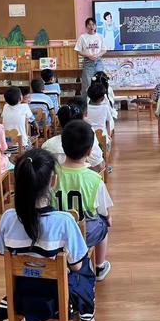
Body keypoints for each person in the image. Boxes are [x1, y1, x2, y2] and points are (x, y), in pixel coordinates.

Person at [0, 149, 96, 321]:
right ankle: (88, 315)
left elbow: (2, 251)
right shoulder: (64, 221)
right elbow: (76, 266)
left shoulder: (8, 218)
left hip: (23, 292)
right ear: (54, 181)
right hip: (56, 295)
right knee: (84, 265)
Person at [53, 120, 113, 282]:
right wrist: (108, 218)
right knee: (103, 225)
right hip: (85, 233)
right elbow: (103, 210)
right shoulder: (94, 179)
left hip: (56, 231)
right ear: (89, 151)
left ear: (63, 147)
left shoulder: (52, 175)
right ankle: (99, 265)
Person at [42, 97, 105, 172]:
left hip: (57, 182)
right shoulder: (87, 135)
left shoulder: (47, 145)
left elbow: (46, 171)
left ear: (59, 122)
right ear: (81, 121)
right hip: (85, 179)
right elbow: (99, 166)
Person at [75, 17, 107, 96]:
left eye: (93, 24)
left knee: (100, 82)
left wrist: (97, 55)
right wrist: (88, 55)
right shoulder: (82, 37)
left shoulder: (100, 36)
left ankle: (100, 101)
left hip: (98, 62)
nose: (91, 26)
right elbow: (78, 51)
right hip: (88, 62)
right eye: (89, 24)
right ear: (86, 26)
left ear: (96, 26)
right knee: (87, 84)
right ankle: (86, 104)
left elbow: (104, 50)